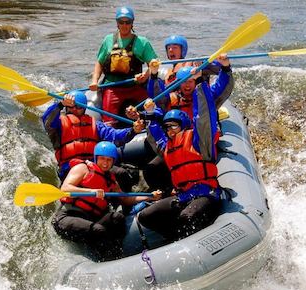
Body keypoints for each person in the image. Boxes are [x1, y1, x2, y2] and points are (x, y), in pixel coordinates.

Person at [137, 55, 232, 240]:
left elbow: (203, 117)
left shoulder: (198, 139)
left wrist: (202, 81)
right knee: (145, 216)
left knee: (186, 217)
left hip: (206, 192)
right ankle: (174, 237)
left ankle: (189, 236)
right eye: (167, 128)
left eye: (173, 127)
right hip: (183, 195)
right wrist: (149, 113)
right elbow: (156, 133)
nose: (170, 131)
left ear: (183, 125)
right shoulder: (167, 145)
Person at [51, 141, 161, 259]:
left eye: (109, 160)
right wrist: (91, 192)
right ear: (96, 158)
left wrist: (149, 196)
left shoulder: (111, 181)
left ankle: (117, 251)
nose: (105, 163)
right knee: (98, 230)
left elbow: (126, 199)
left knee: (117, 218)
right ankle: (108, 259)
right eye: (102, 159)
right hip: (67, 217)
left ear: (113, 162)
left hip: (89, 219)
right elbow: (65, 188)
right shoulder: (83, 168)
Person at [41, 90, 143, 191]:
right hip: (70, 168)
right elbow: (47, 119)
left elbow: (114, 135)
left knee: (122, 173)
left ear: (84, 108)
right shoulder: (59, 125)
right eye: (71, 106)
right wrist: (60, 104)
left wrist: (133, 130)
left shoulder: (95, 124)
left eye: (79, 107)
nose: (75, 109)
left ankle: (124, 204)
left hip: (94, 165)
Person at [89, 6, 157, 127]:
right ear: (117, 23)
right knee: (109, 123)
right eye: (121, 22)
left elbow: (153, 63)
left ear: (132, 23)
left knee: (151, 110)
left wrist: (145, 76)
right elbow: (99, 62)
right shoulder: (108, 40)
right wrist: (95, 80)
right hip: (112, 88)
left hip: (135, 87)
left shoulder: (142, 42)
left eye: (128, 22)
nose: (124, 25)